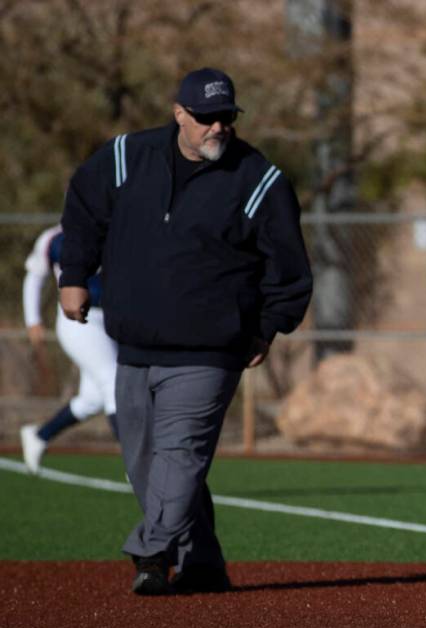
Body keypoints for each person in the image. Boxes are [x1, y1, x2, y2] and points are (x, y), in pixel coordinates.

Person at [58, 68, 313, 596]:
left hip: (209, 350)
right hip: (132, 346)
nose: (217, 127)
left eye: (226, 118)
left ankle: (151, 555)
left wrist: (267, 328)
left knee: (180, 455)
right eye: (205, 118)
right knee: (146, 463)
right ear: (179, 114)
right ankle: (204, 563)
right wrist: (74, 277)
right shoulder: (128, 158)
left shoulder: (258, 180)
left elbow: (288, 267)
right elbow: (83, 207)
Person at [20, 225, 119, 474]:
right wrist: (32, 320)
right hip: (78, 320)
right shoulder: (54, 237)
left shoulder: (117, 228)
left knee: (92, 399)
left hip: (114, 321)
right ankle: (135, 460)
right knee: (113, 382)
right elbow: (34, 276)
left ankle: (40, 435)